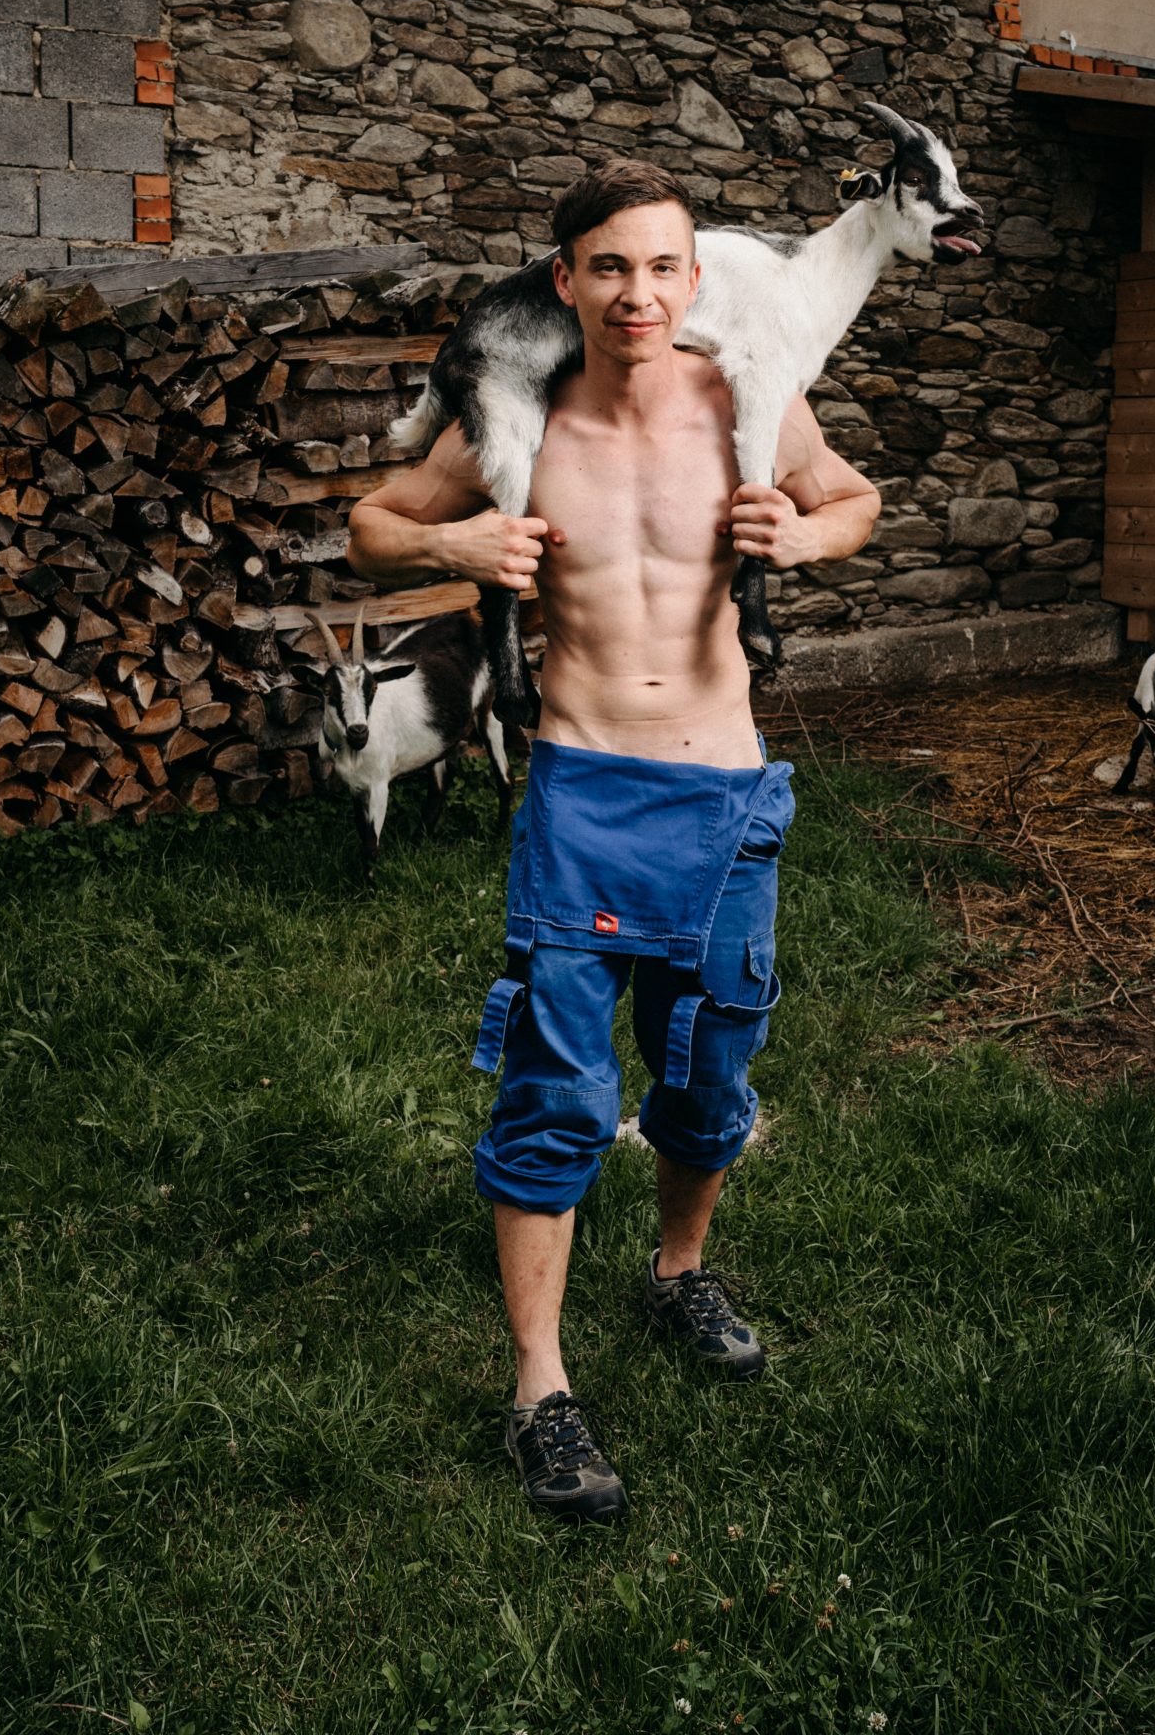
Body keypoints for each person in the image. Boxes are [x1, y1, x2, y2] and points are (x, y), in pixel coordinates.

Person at [346, 161, 880, 1523]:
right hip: (581, 792)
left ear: (693, 281)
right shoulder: (520, 417)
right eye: (607, 268)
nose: (637, 294)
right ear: (565, 281)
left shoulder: (748, 401)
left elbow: (855, 500)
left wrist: (806, 539)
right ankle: (541, 1387)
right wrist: (461, 549)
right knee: (557, 1097)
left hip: (724, 793)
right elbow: (372, 526)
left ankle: (675, 1273)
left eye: (660, 268)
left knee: (705, 1077)